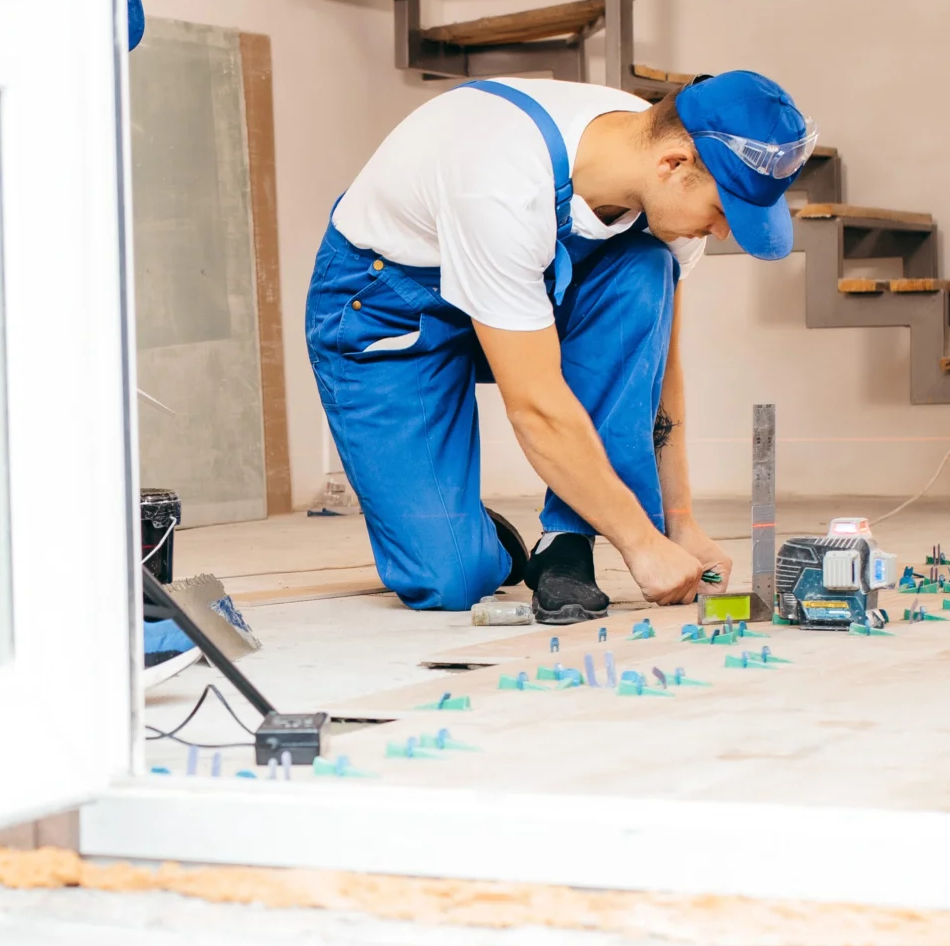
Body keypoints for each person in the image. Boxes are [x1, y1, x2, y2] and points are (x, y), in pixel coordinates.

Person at [304, 71, 814, 623]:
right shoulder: (500, 177)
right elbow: (536, 407)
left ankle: (567, 542)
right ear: (674, 164)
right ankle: (465, 531)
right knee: (451, 580)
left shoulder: (655, 170)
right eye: (724, 210)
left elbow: (660, 368)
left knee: (643, 267)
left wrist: (680, 520)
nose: (722, 233)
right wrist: (642, 545)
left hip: (517, 288)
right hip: (387, 310)